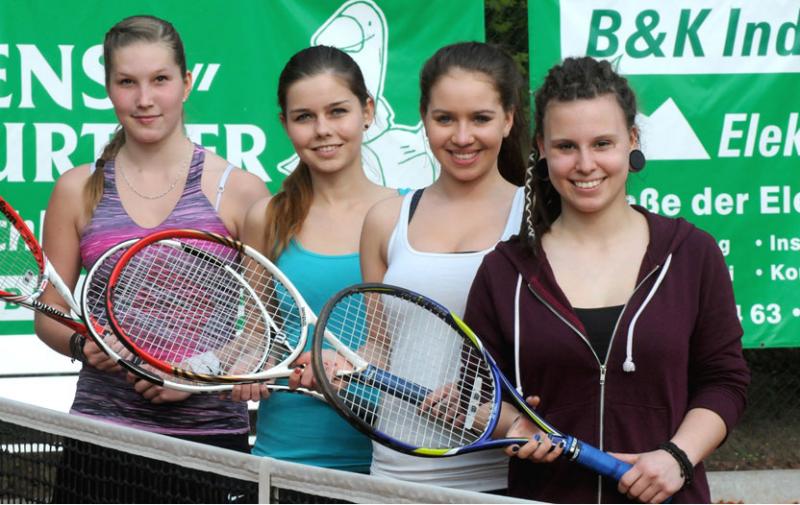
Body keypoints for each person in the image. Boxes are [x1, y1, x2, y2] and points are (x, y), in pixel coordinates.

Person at [463, 56, 750, 503]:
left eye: (602, 143)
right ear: (541, 147)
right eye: (566, 146)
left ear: (631, 140)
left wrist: (677, 457)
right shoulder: (504, 271)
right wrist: (512, 425)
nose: (585, 163)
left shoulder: (691, 254)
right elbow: (478, 396)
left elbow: (725, 382)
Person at [34, 15, 268, 501]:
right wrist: (82, 344)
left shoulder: (241, 191)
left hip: (211, 447)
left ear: (187, 83)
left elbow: (264, 331)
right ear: (108, 88)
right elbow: (49, 312)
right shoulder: (76, 189)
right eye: (127, 82)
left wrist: (198, 374)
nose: (144, 99)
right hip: (101, 440)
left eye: (160, 79)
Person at [358, 42, 528, 493]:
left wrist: (487, 403)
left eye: (481, 118)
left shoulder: (537, 219)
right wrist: (341, 364)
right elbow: (380, 346)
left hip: (501, 475)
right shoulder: (385, 220)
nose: (462, 136)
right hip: (397, 472)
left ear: (508, 119)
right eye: (445, 118)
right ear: (423, 117)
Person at [231, 45, 396, 473]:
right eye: (304, 117)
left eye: (337, 112)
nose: (323, 130)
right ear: (285, 124)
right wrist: (243, 365)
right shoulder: (266, 217)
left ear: (367, 111)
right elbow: (258, 335)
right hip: (283, 459)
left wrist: (346, 367)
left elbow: (410, 344)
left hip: (387, 462)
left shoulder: (405, 215)